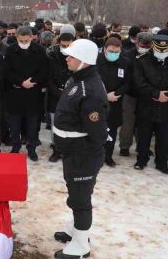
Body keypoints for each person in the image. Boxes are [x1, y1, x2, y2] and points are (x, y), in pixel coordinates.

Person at [51, 39, 108, 259]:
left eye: (71, 56)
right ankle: (74, 229)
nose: (67, 58)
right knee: (75, 194)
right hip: (72, 151)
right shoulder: (77, 79)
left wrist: (84, 153)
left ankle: (81, 245)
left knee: (80, 199)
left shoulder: (90, 88)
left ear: (83, 61)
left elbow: (97, 130)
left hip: (83, 154)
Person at [132, 33, 168, 174]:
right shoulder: (142, 60)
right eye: (159, 49)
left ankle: (162, 163)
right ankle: (141, 159)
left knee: (164, 136)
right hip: (147, 104)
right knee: (144, 134)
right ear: (153, 46)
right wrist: (156, 94)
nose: (161, 52)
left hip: (167, 106)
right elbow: (139, 82)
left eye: (165, 49)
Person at [2, 26, 49, 161]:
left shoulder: (40, 50)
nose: (23, 43)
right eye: (21, 41)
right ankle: (15, 146)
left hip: (33, 93)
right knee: (14, 123)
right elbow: (7, 71)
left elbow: (44, 71)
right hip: (15, 92)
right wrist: (21, 82)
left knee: (32, 124)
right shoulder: (10, 50)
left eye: (26, 40)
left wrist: (32, 82)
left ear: (31, 38)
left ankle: (31, 148)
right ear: (16, 38)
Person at [96, 37, 131, 167]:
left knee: (112, 130)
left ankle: (108, 156)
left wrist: (117, 94)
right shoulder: (96, 61)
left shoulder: (125, 62)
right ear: (105, 49)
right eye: (111, 51)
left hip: (115, 101)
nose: (114, 54)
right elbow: (92, 80)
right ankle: (95, 155)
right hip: (97, 101)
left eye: (117, 52)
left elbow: (127, 82)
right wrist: (105, 95)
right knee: (94, 128)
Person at [46, 31, 75, 162]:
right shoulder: (52, 55)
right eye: (63, 45)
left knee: (71, 123)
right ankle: (56, 149)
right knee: (55, 123)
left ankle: (68, 150)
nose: (66, 48)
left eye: (69, 45)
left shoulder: (78, 56)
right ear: (59, 44)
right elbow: (49, 78)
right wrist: (57, 92)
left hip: (73, 95)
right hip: (55, 94)